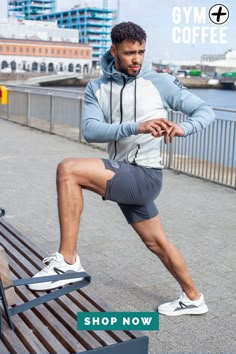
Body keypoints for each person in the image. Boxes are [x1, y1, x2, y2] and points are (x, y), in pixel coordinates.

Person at [29, 22, 215, 316]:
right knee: (157, 242)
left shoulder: (160, 82)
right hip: (123, 171)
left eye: (141, 52)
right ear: (113, 50)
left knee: (69, 170)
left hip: (145, 175)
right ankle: (193, 297)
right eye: (130, 53)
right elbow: (90, 131)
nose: (137, 59)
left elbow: (206, 112)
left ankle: (67, 261)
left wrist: (182, 128)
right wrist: (136, 126)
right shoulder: (97, 87)